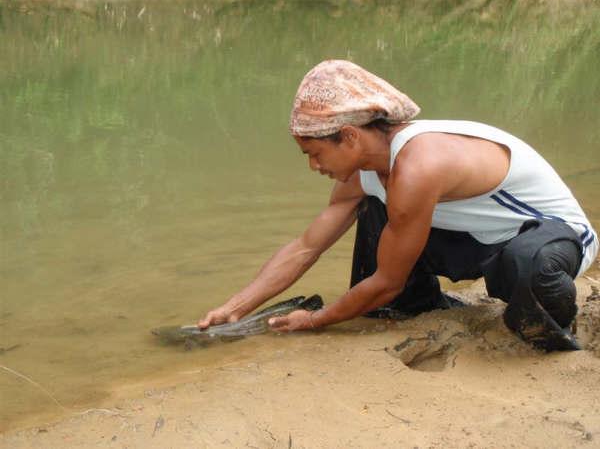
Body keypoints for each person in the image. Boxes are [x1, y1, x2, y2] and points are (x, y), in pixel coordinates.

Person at [198, 60, 598, 352]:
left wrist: (317, 320)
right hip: (480, 239)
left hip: (554, 240)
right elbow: (307, 246)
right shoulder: (362, 175)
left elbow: (386, 279)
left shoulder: (420, 164)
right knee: (376, 212)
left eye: (315, 153)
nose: (313, 166)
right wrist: (235, 307)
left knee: (528, 267)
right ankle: (417, 306)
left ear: (350, 137)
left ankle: (554, 326)